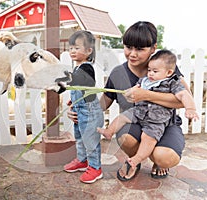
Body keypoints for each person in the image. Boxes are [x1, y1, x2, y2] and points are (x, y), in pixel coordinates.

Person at [67, 21, 190, 181]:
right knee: (125, 135)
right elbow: (103, 103)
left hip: (165, 124)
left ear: (153, 48)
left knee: (163, 156)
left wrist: (146, 95)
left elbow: (184, 99)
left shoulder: (163, 69)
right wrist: (80, 108)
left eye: (140, 49)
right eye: (128, 47)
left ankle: (157, 160)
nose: (132, 53)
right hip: (137, 124)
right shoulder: (118, 73)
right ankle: (135, 160)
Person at [97, 49, 199, 180]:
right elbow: (132, 90)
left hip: (156, 119)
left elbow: (184, 95)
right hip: (139, 112)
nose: (150, 73)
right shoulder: (144, 80)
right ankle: (109, 131)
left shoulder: (172, 82)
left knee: (148, 138)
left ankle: (136, 160)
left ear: (168, 72)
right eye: (149, 70)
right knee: (122, 117)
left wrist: (190, 108)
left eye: (154, 71)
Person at [63, 30, 104, 184]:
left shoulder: (87, 68)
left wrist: (66, 78)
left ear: (88, 51)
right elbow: (77, 90)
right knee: (79, 137)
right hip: (79, 110)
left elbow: (83, 82)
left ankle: (95, 167)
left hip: (90, 112)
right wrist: (72, 102)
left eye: (77, 48)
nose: (73, 51)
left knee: (90, 140)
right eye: (71, 48)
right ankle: (82, 160)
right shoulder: (76, 68)